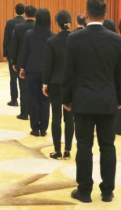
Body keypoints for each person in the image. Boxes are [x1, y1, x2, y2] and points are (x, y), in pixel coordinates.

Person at [63, 0, 121, 203]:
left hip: (82, 101)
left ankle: (84, 190)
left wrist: (66, 99)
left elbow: (68, 73)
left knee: (83, 146)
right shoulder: (116, 40)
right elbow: (120, 74)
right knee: (108, 146)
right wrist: (120, 98)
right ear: (105, 15)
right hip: (108, 100)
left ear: (86, 15)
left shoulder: (74, 38)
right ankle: (107, 191)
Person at [43, 10, 74, 159]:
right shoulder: (75, 40)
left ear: (57, 24)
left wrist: (45, 83)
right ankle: (68, 150)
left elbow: (47, 65)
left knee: (56, 117)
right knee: (69, 118)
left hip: (55, 83)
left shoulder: (52, 41)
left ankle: (57, 150)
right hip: (71, 84)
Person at [18, 8, 54, 136]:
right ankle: (43, 128)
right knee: (45, 100)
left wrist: (22, 68)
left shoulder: (29, 34)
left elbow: (24, 52)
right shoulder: (52, 35)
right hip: (47, 73)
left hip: (31, 71)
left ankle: (35, 128)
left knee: (33, 99)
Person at [10, 5, 37, 120]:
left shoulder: (19, 27)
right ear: (35, 15)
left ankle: (24, 113)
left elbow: (14, 46)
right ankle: (33, 112)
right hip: (36, 63)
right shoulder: (39, 27)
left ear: (25, 14)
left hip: (22, 62)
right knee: (35, 89)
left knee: (23, 88)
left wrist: (14, 62)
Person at [3, 3, 25, 107]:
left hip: (12, 54)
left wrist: (5, 53)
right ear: (24, 12)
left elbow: (6, 39)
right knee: (23, 79)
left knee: (13, 78)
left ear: (15, 10)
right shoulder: (26, 23)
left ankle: (14, 100)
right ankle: (24, 100)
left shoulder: (10, 22)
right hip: (24, 55)